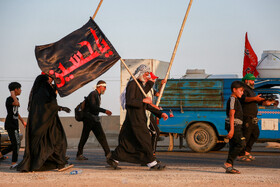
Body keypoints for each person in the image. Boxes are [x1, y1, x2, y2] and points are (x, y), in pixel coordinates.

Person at [107, 64, 168, 170]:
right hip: (135, 119)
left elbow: (145, 104)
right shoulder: (132, 84)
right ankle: (152, 163)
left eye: (148, 74)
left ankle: (113, 159)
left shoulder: (139, 85)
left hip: (136, 119)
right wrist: (142, 100)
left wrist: (159, 113)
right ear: (140, 73)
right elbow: (130, 102)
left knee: (127, 142)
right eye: (145, 73)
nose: (147, 75)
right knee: (145, 139)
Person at [17, 74, 73, 172]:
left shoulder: (39, 92)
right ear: (43, 82)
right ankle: (60, 163)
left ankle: (58, 163)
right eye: (48, 81)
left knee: (52, 144)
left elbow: (51, 100)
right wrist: (60, 108)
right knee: (58, 142)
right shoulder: (41, 92)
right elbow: (48, 105)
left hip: (44, 124)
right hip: (44, 125)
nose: (49, 83)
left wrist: (55, 88)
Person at [76, 80, 112, 160]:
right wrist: (105, 111)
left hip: (92, 119)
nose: (105, 89)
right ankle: (108, 154)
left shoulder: (98, 95)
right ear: (100, 86)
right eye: (104, 87)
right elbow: (93, 107)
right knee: (100, 136)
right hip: (90, 119)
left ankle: (79, 154)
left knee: (86, 136)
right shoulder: (93, 94)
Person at [237, 73, 265, 162]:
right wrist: (255, 99)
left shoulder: (251, 90)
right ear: (246, 80)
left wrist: (267, 103)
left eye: (253, 80)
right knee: (245, 136)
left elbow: (254, 101)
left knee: (255, 134)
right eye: (252, 80)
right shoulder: (243, 89)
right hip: (246, 117)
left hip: (253, 117)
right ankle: (240, 155)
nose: (253, 82)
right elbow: (244, 99)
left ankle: (247, 152)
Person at [0, 82, 26, 169]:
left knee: (16, 144)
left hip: (15, 123)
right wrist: (12, 93)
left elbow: (16, 112)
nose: (21, 90)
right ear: (15, 90)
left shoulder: (16, 98)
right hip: (10, 124)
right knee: (16, 144)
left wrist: (22, 121)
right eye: (20, 88)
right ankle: (13, 163)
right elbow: (16, 104)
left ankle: (0, 154)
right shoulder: (10, 99)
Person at [223, 81, 246, 174]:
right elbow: (231, 114)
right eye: (240, 90)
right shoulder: (232, 99)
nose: (242, 92)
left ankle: (229, 166)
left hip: (236, 126)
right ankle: (228, 163)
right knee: (241, 143)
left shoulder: (236, 99)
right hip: (234, 126)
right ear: (234, 90)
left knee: (233, 146)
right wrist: (232, 130)